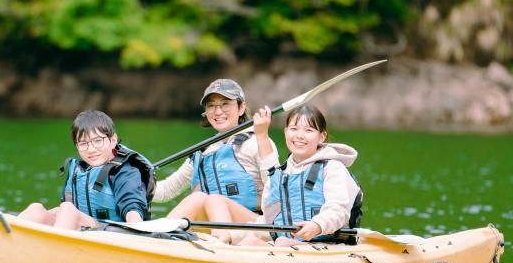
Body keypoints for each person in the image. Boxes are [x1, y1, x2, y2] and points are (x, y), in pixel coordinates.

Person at [202, 104, 363, 246]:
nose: (299, 135)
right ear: (286, 132)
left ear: (321, 136)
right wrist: (229, 236)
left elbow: (338, 210)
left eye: (308, 130)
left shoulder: (333, 168)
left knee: (281, 242)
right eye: (294, 129)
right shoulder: (279, 175)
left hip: (329, 246)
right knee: (252, 241)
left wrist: (317, 225)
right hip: (287, 247)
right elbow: (267, 221)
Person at [152, 79, 279, 226]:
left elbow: (275, 186)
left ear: (241, 108)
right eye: (211, 106)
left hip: (253, 225)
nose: (218, 112)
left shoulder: (257, 141)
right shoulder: (205, 150)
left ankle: (164, 234)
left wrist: (262, 135)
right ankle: (160, 234)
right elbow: (165, 191)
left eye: (225, 104)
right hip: (213, 226)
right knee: (198, 198)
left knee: (211, 199)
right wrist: (130, 179)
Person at [19, 110, 153, 230]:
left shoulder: (124, 172)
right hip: (81, 232)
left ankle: (53, 248)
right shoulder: (78, 171)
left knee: (67, 209)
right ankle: (8, 234)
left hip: (112, 236)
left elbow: (132, 209)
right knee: (37, 209)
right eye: (83, 144)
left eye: (97, 141)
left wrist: (138, 233)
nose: (91, 149)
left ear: (113, 140)